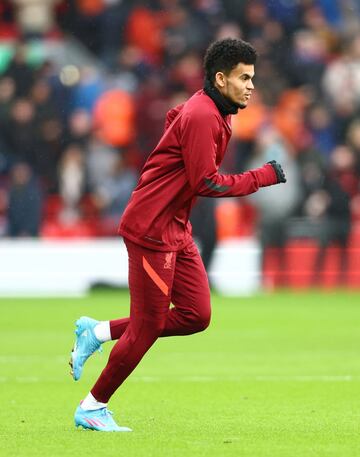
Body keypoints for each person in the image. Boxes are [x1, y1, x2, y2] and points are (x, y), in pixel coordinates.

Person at [70, 38, 286, 432]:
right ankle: (92, 406)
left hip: (174, 226)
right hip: (152, 229)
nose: (251, 85)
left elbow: (175, 116)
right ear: (220, 79)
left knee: (196, 315)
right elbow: (207, 182)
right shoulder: (205, 114)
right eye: (244, 78)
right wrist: (263, 176)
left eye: (252, 77)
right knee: (148, 325)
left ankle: (97, 331)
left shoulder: (212, 108)